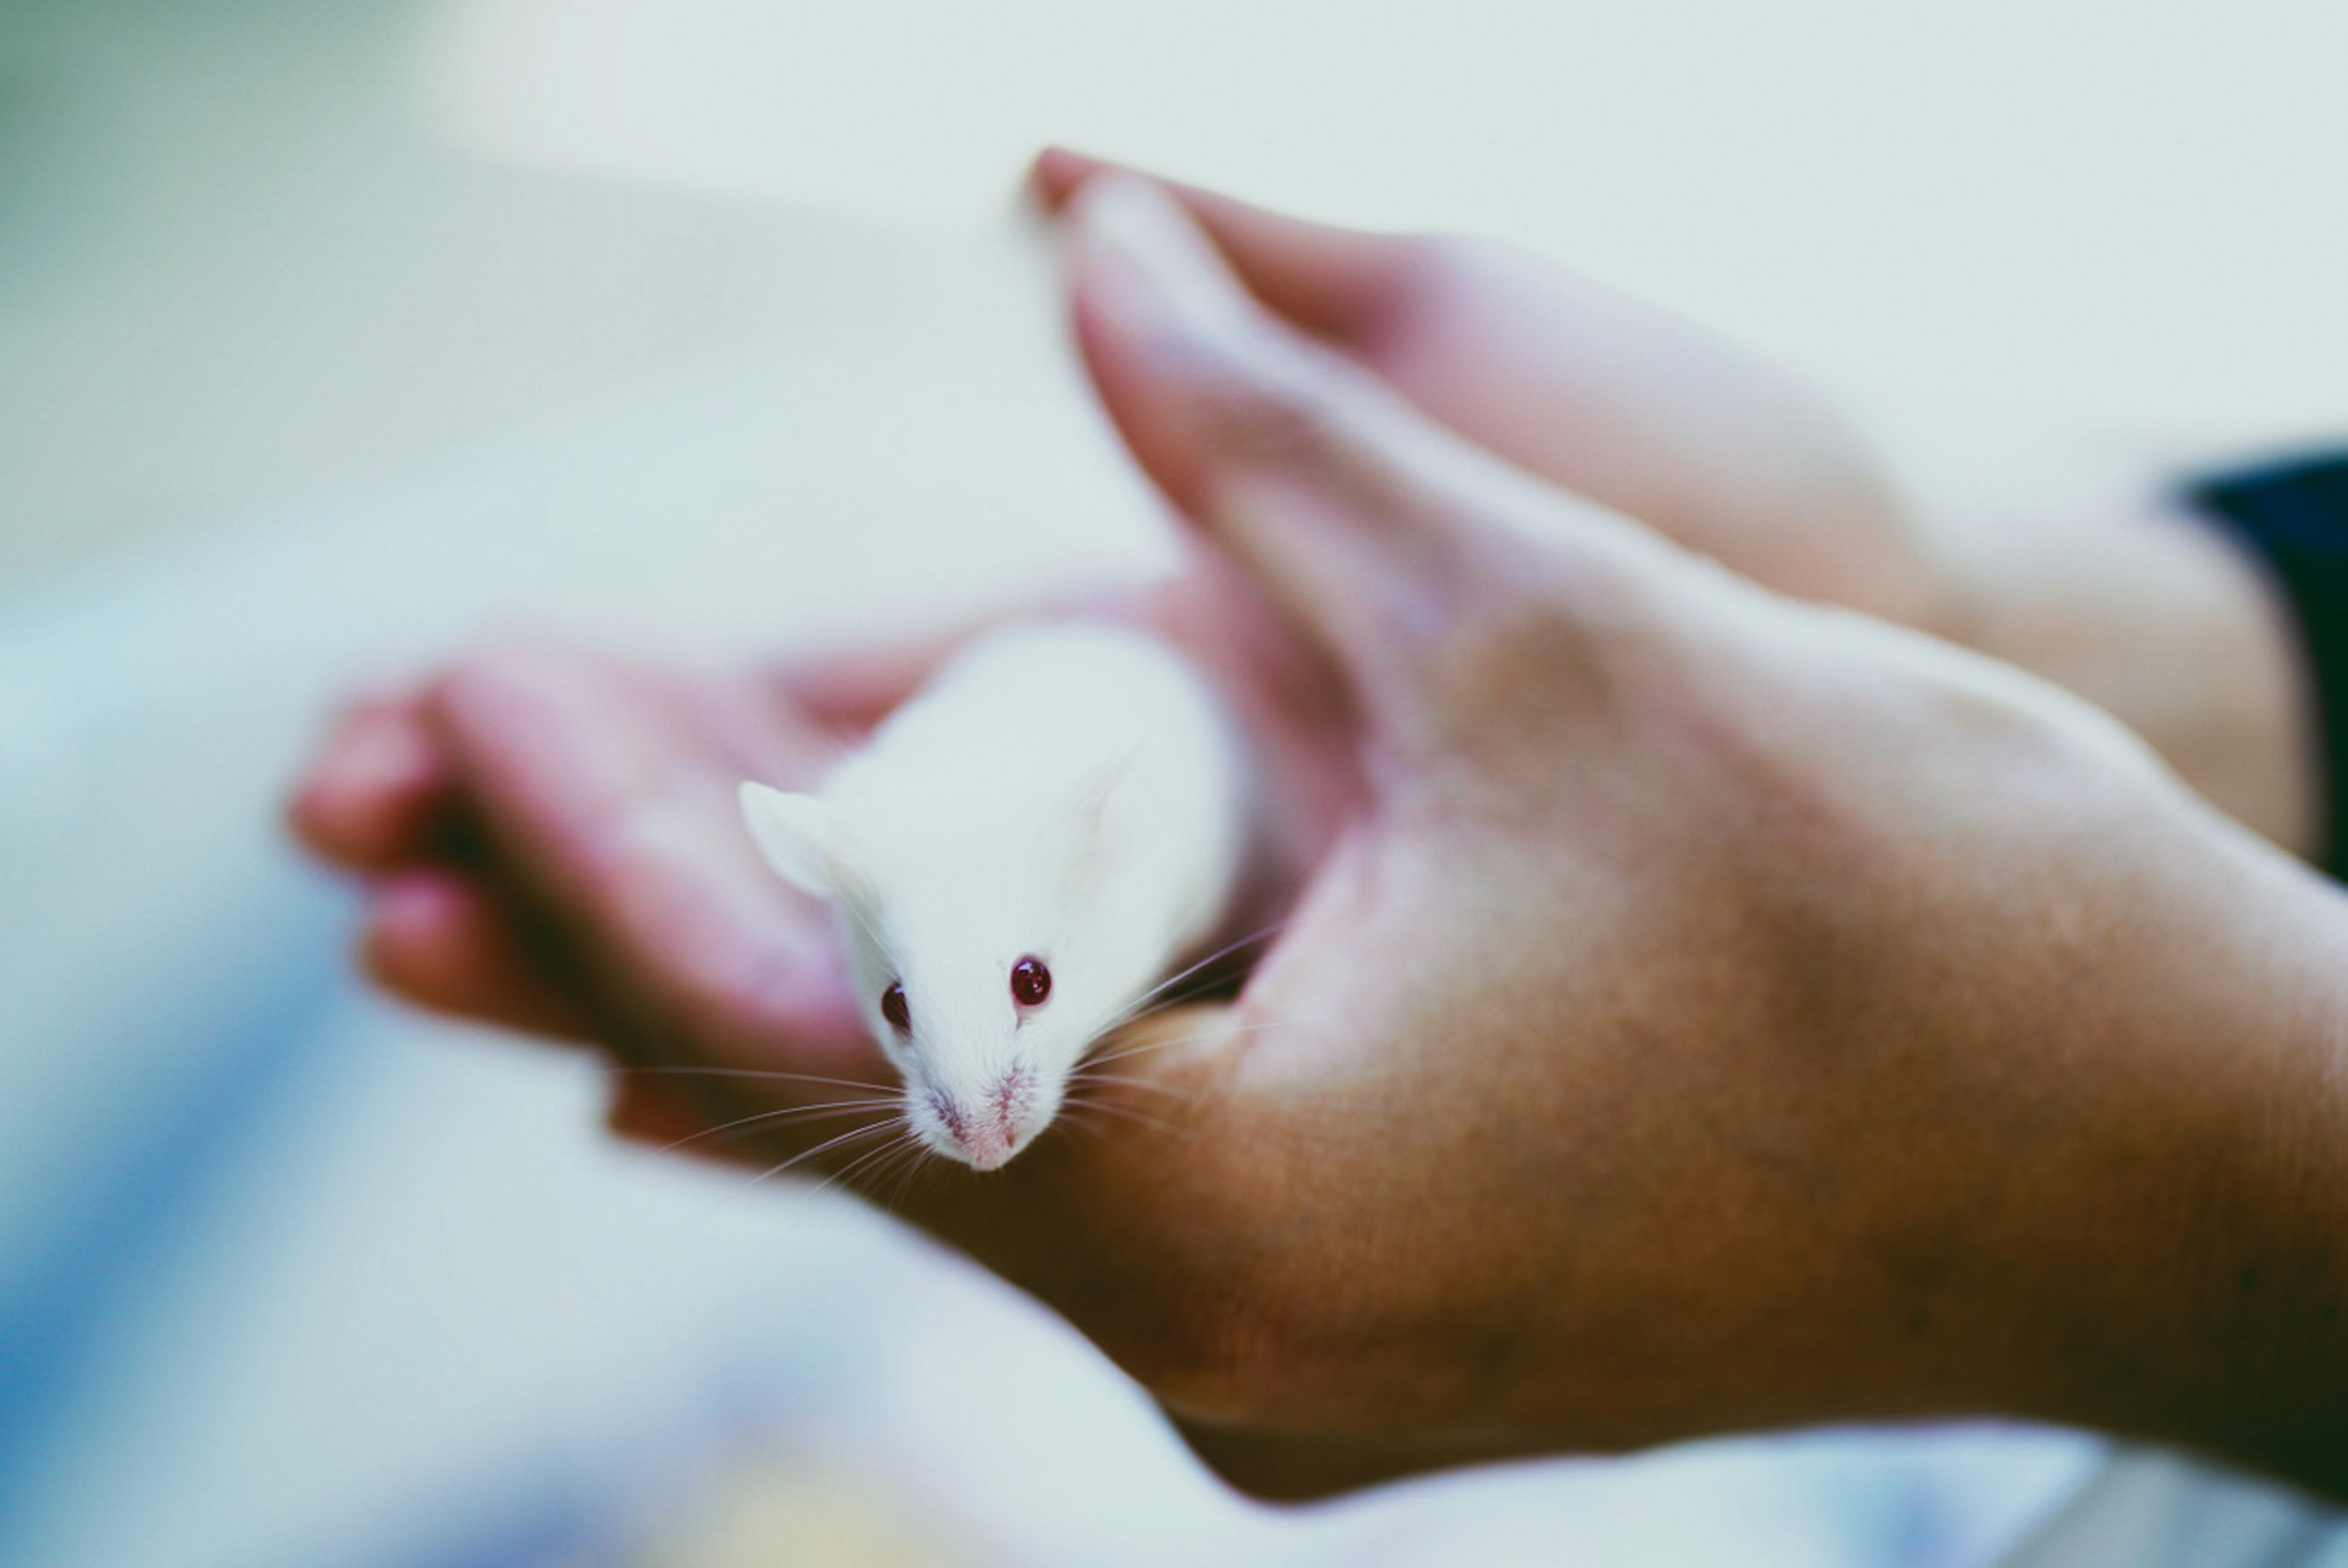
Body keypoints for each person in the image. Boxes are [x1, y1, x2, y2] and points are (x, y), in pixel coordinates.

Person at [288, 152, 2348, 1503]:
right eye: (917, 1022)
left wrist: (2166, 1203)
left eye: (1012, 997)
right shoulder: (910, 865)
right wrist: (1974, 632)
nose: (971, 1092)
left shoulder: (1103, 811)